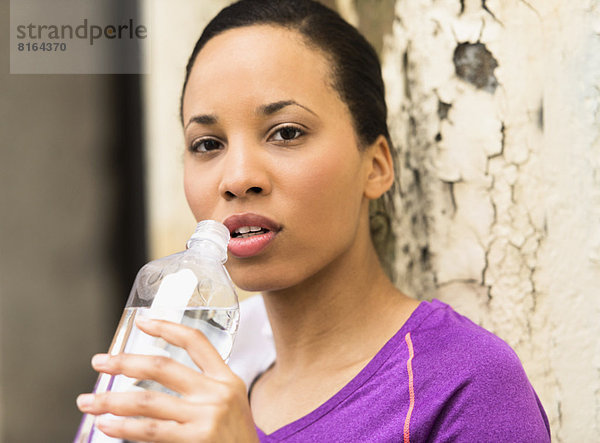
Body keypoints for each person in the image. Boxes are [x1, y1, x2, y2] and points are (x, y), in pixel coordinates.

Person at [76, 0, 551, 441]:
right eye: (207, 144)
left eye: (286, 133)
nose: (237, 178)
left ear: (376, 166)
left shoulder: (463, 383)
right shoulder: (188, 373)